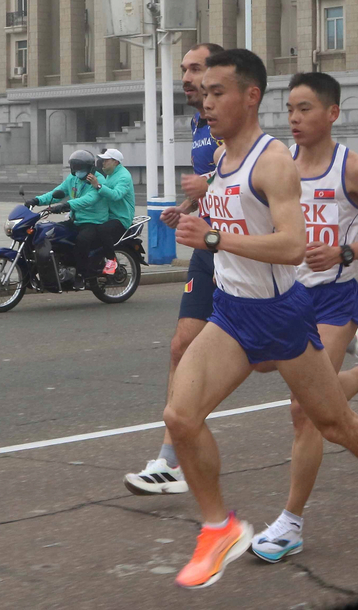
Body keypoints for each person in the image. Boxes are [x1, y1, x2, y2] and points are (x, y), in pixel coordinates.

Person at [164, 49, 358, 589]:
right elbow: (235, 211)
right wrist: (193, 216)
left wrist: (212, 237)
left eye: (218, 92)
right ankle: (219, 527)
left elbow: (292, 246)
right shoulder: (221, 156)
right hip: (232, 313)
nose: (207, 102)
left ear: (250, 96)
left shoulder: (273, 161)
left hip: (282, 314)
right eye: (204, 93)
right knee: (180, 417)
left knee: (332, 423)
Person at [250, 71, 358, 563]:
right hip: (284, 299)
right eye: (289, 109)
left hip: (332, 301)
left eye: (305, 108)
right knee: (294, 386)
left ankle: (290, 523)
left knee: (305, 412)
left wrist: (345, 252)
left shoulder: (355, 169)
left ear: (332, 113)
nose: (294, 118)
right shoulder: (275, 164)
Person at [125, 43, 223, 495]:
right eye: (183, 69)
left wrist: (210, 184)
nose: (185, 76)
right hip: (209, 251)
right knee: (181, 346)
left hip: (245, 255)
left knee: (306, 389)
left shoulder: (232, 125)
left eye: (195, 68)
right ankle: (171, 459)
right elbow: (212, 186)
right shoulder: (199, 123)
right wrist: (187, 206)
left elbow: (255, 175)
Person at [26, 149, 97, 292]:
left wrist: (67, 205)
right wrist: (37, 200)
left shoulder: (96, 180)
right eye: (76, 168)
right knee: (49, 233)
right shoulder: (73, 179)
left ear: (90, 168)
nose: (78, 171)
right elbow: (57, 193)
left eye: (81, 168)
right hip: (75, 220)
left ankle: (81, 277)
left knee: (82, 241)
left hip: (93, 221)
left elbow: (89, 199)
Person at [64, 147, 134, 291]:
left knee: (102, 230)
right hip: (110, 215)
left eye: (105, 160)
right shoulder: (110, 174)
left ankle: (112, 261)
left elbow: (116, 195)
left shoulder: (123, 177)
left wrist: (98, 185)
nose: (101, 163)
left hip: (121, 217)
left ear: (115, 162)